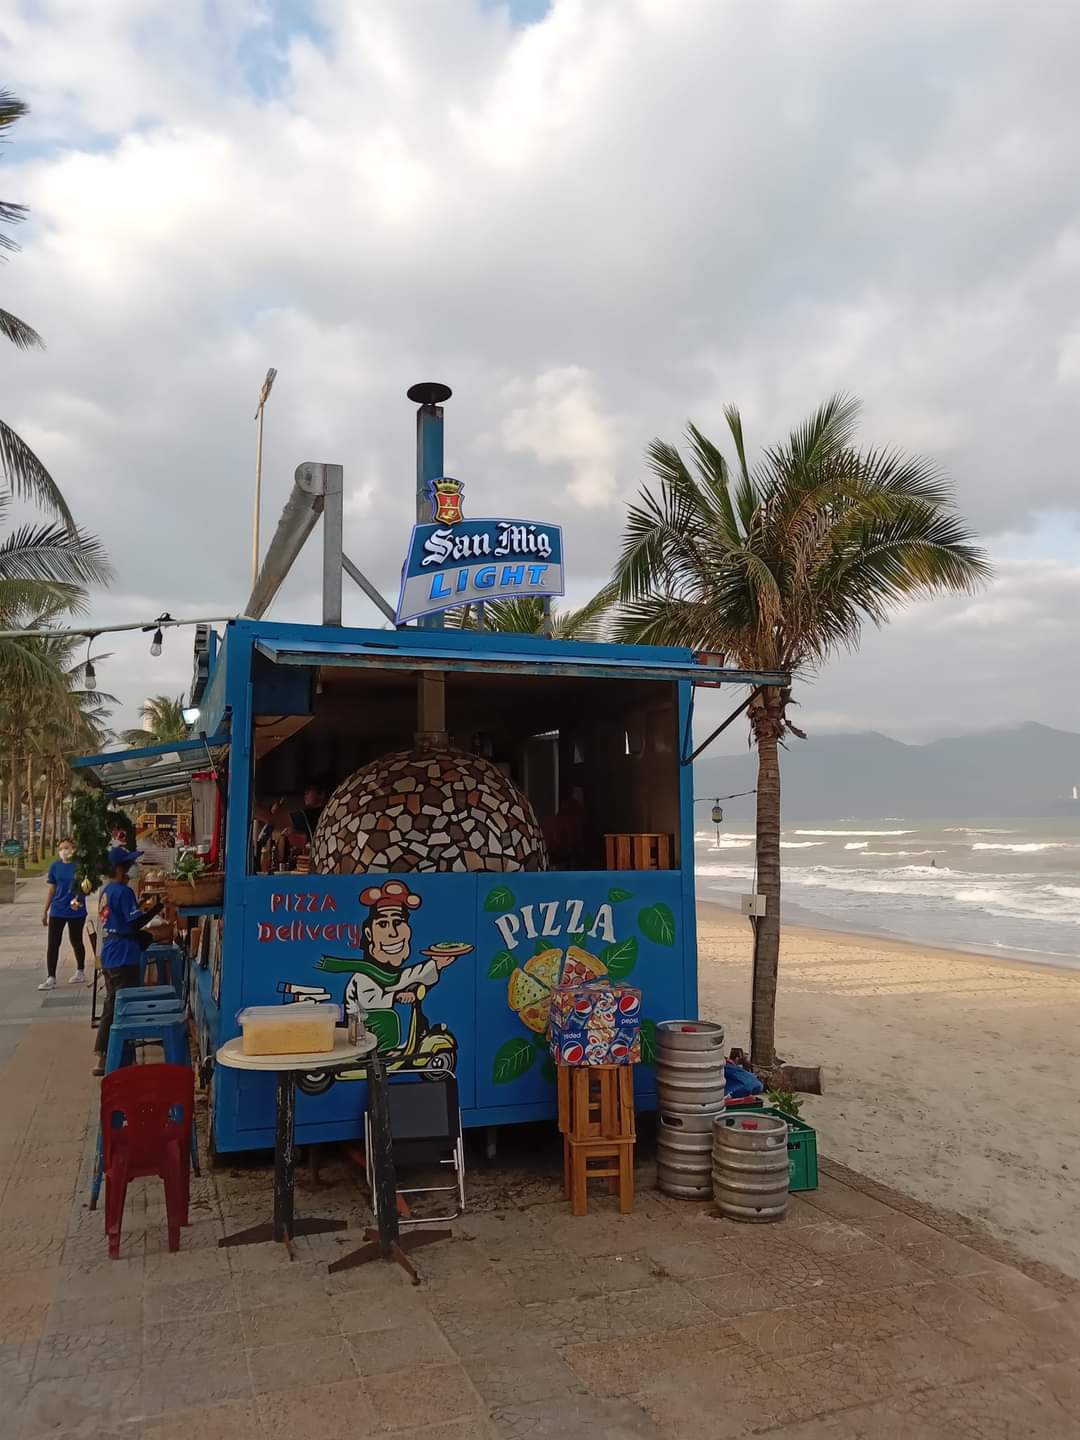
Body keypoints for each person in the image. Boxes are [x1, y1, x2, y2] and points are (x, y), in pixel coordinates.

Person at [92, 846, 163, 1077]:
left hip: (111, 954)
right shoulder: (123, 892)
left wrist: (141, 905)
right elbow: (134, 924)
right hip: (125, 956)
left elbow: (121, 917)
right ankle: (120, 1058)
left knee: (111, 1005)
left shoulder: (107, 890)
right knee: (125, 1008)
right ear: (119, 869)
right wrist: (157, 908)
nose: (132, 869)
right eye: (129, 866)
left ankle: (104, 1055)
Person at [39, 838, 88, 990]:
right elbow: (52, 889)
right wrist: (45, 910)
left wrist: (78, 900)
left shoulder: (80, 866)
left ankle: (80, 971)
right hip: (57, 910)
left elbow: (86, 887)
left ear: (73, 849)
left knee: (76, 940)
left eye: (66, 847)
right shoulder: (55, 866)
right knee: (53, 944)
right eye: (61, 848)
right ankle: (51, 977)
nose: (63, 851)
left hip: (76, 911)